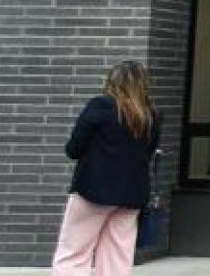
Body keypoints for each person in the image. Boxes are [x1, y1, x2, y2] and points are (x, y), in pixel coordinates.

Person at [54, 61, 161, 276]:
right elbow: (147, 153)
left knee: (74, 253)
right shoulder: (151, 115)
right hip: (132, 195)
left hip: (92, 192)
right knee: (117, 257)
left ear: (113, 82)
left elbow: (74, 149)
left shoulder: (100, 106)